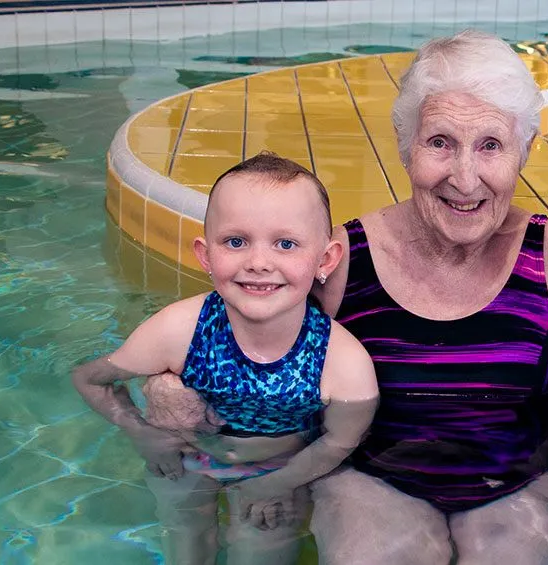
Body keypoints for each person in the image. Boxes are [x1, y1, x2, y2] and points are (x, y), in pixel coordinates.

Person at [141, 30, 548, 565]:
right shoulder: (337, 260)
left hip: (521, 483)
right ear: (404, 146)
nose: (464, 178)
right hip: (373, 477)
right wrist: (168, 389)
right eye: (440, 142)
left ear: (523, 151)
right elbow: (225, 338)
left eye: (491, 145)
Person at [72, 152, 379, 565]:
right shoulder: (178, 329)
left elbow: (340, 441)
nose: (258, 263)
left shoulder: (340, 360)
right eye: (235, 242)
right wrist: (143, 433)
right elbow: (90, 379)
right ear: (205, 254)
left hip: (280, 467)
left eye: (285, 244)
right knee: (185, 540)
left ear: (325, 260)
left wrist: (280, 483)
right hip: (186, 457)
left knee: (260, 551)